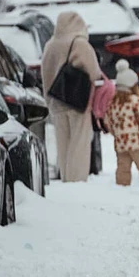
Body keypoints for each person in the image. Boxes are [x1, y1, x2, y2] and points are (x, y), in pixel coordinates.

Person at [41, 11, 101, 182]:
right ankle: (77, 181)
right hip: (78, 101)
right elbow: (94, 72)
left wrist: (48, 100)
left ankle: (66, 179)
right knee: (79, 143)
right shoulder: (80, 44)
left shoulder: (50, 45)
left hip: (56, 101)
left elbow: (45, 74)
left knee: (63, 145)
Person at [104, 59, 139, 187]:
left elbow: (108, 121)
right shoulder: (136, 101)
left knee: (122, 169)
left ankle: (122, 188)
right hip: (136, 142)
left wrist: (116, 133)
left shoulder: (112, 103)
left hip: (121, 142)